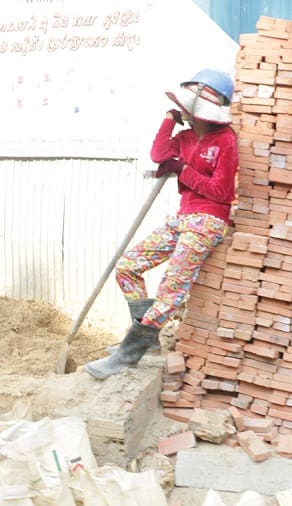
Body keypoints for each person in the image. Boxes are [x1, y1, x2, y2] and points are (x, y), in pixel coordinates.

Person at [85, 68, 239, 379]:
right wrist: (169, 119)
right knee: (127, 266)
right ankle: (149, 340)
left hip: (208, 220)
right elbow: (158, 154)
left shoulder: (225, 141)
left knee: (171, 290)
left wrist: (182, 170)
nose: (187, 112)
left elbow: (221, 192)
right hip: (183, 218)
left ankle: (129, 354)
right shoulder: (183, 137)